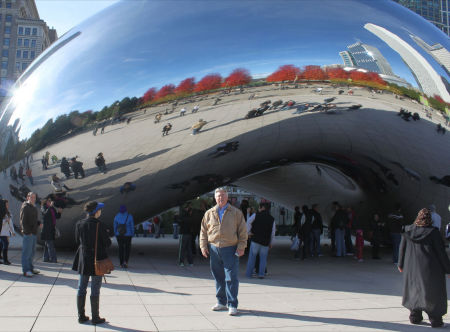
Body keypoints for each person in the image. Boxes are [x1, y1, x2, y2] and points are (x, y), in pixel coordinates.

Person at [398, 208, 450, 328]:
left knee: (413, 291)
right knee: (432, 293)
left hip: (411, 268)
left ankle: (415, 316)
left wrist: (400, 264)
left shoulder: (407, 230)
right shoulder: (433, 232)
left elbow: (402, 248)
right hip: (430, 269)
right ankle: (435, 319)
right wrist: (447, 269)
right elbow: (441, 252)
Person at [200, 187, 247, 316]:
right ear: (215, 198)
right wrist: (203, 246)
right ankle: (221, 302)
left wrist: (241, 246)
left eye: (222, 195)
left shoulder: (236, 213)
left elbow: (243, 231)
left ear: (227, 197)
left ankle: (232, 304)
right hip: (214, 248)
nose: (220, 198)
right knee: (218, 276)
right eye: (218, 196)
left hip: (230, 248)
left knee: (231, 277)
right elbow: (203, 231)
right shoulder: (209, 213)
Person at [72, 201, 111, 325]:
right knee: (95, 289)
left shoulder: (79, 224)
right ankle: (95, 317)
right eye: (100, 209)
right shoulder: (101, 225)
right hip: (97, 259)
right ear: (96, 212)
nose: (101, 211)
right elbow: (107, 243)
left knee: (81, 288)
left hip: (84, 259)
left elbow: (77, 240)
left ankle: (81, 316)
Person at [245, 203, 275, 279]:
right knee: (263, 258)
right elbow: (273, 232)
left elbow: (248, 222)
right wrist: (271, 242)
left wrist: (248, 232)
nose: (258, 208)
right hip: (265, 241)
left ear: (262, 208)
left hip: (255, 239)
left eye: (259, 207)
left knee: (252, 257)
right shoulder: (272, 219)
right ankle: (261, 274)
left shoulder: (256, 215)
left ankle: (249, 274)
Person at [20, 192, 40, 277]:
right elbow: (23, 222)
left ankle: (31, 268)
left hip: (34, 233)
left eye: (34, 197)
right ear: (28, 197)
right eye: (31, 197)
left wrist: (39, 223)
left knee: (32, 252)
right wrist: (28, 232)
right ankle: (26, 270)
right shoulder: (25, 207)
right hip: (29, 234)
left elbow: (34, 219)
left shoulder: (33, 207)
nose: (33, 199)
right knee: (26, 253)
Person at [41, 195, 62, 263]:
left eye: (51, 201)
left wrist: (59, 212)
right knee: (50, 244)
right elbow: (45, 214)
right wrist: (50, 207)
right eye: (49, 201)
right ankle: (53, 259)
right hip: (46, 229)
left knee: (47, 244)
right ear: (46, 201)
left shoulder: (52, 208)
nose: (51, 202)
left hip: (51, 228)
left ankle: (45, 258)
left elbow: (57, 217)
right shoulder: (43, 207)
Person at [0, 200, 15, 265]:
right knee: (6, 244)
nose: (7, 206)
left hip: (6, 232)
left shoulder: (8, 213)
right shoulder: (1, 212)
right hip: (1, 232)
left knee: (1, 245)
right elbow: (2, 223)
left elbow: (10, 223)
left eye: (8, 204)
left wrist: (12, 231)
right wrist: (5, 221)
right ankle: (5, 260)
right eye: (6, 204)